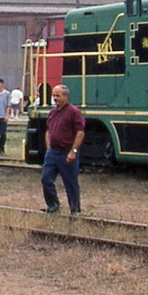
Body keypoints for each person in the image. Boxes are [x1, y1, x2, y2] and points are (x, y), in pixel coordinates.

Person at [41, 84, 86, 215]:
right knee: (46, 179)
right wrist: (49, 147)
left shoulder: (74, 112)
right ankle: (53, 205)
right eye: (54, 95)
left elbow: (80, 133)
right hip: (53, 153)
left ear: (66, 96)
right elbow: (48, 131)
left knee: (70, 182)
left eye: (58, 96)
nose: (55, 98)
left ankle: (75, 210)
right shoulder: (52, 112)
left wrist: (74, 151)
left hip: (67, 152)